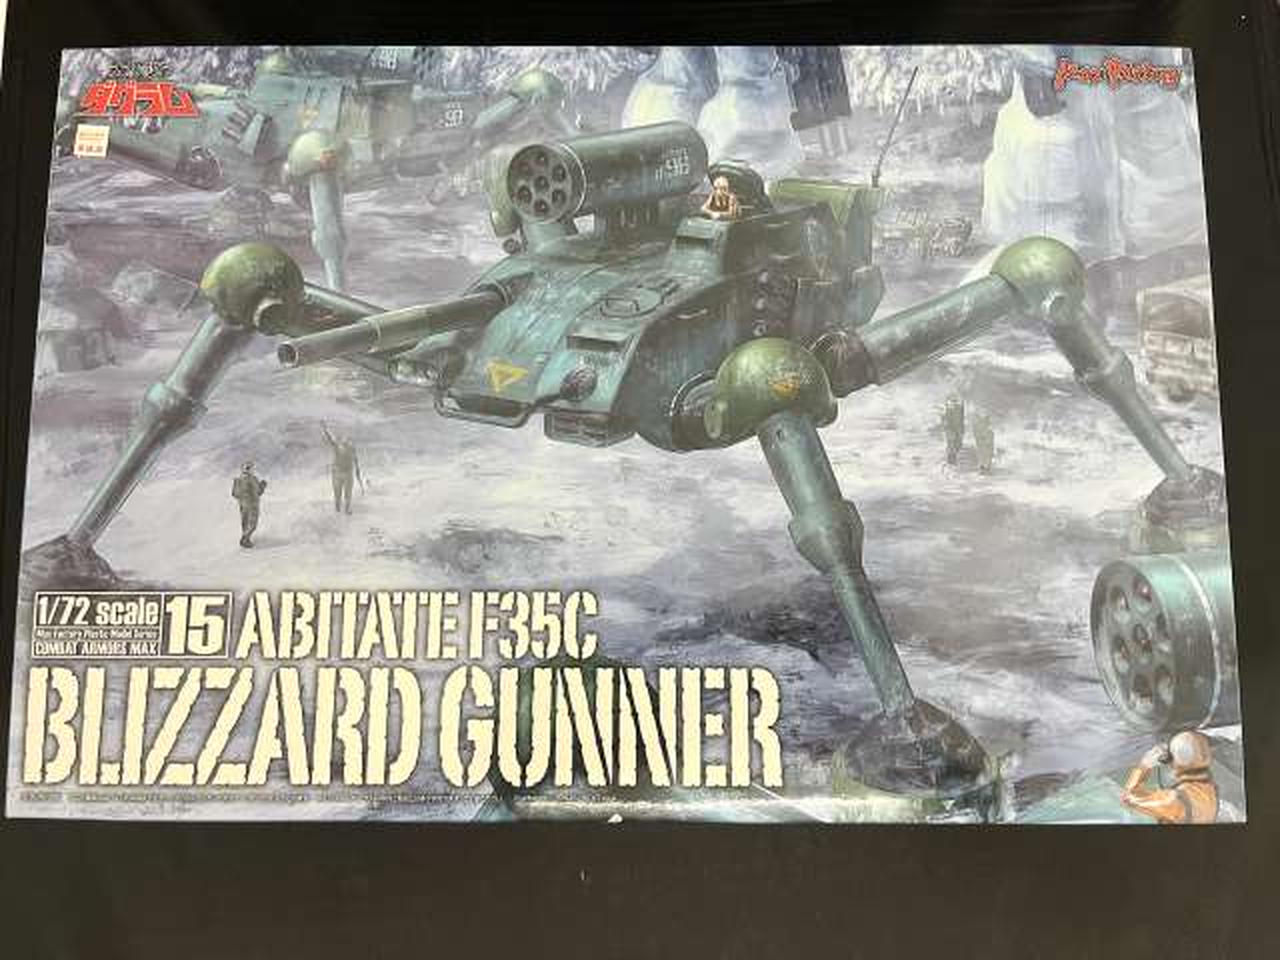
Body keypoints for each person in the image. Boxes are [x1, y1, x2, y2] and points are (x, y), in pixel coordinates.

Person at [1120, 730, 1218, 824]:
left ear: (1173, 762)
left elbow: (1128, 798)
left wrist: (1144, 766)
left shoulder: (1172, 800)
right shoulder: (1210, 790)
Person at [321, 422, 364, 514]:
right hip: (337, 473)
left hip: (348, 473)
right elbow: (331, 439)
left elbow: (356, 460)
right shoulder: (337, 446)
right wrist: (325, 429)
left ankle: (347, 511)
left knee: (348, 496)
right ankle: (337, 512)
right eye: (346, 440)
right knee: (337, 497)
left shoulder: (352, 448)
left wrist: (358, 473)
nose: (348, 442)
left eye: (349, 440)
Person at [231, 461, 268, 548]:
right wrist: (263, 485)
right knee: (252, 523)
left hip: (243, 505)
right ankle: (245, 539)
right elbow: (258, 492)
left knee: (245, 522)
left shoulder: (238, 480)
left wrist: (242, 498)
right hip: (252, 505)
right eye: (250, 468)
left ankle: (246, 539)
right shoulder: (252, 479)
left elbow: (234, 494)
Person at [940, 394, 965, 465]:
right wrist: (945, 426)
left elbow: (962, 418)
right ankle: (951, 458)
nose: (954, 402)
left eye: (955, 401)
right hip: (950, 428)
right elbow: (944, 418)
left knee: (958, 444)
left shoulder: (959, 407)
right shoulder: (947, 408)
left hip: (958, 428)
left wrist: (962, 429)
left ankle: (952, 455)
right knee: (951, 443)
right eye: (952, 400)